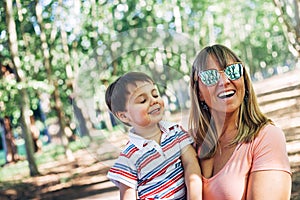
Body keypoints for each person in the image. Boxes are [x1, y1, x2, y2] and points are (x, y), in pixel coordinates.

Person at [189, 44, 292, 200]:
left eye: (233, 71)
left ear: (244, 79)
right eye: (210, 76)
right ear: (199, 93)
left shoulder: (267, 137)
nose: (224, 81)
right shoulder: (189, 142)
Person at [105, 72, 202, 200]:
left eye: (155, 94)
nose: (153, 100)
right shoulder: (129, 158)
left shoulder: (176, 133)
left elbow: (191, 164)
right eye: (142, 100)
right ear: (123, 115)